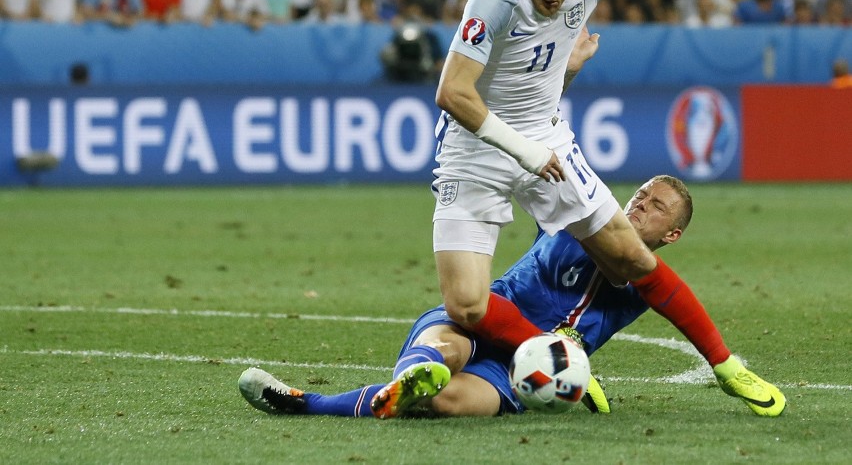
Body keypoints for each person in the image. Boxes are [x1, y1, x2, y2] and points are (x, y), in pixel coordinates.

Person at [422, 0, 785, 419]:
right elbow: (452, 92)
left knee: (632, 258)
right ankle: (559, 361)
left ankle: (727, 367)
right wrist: (526, 152)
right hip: (475, 149)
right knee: (466, 306)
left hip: (546, 137)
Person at [238, 175, 783, 418]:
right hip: (484, 321)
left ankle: (381, 393)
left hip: (522, 376)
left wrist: (724, 363)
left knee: (446, 403)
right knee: (444, 349)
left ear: (672, 236)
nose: (641, 203)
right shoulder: (581, 219)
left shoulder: (645, 284)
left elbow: (665, 291)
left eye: (657, 206)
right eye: (640, 194)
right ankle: (322, 397)